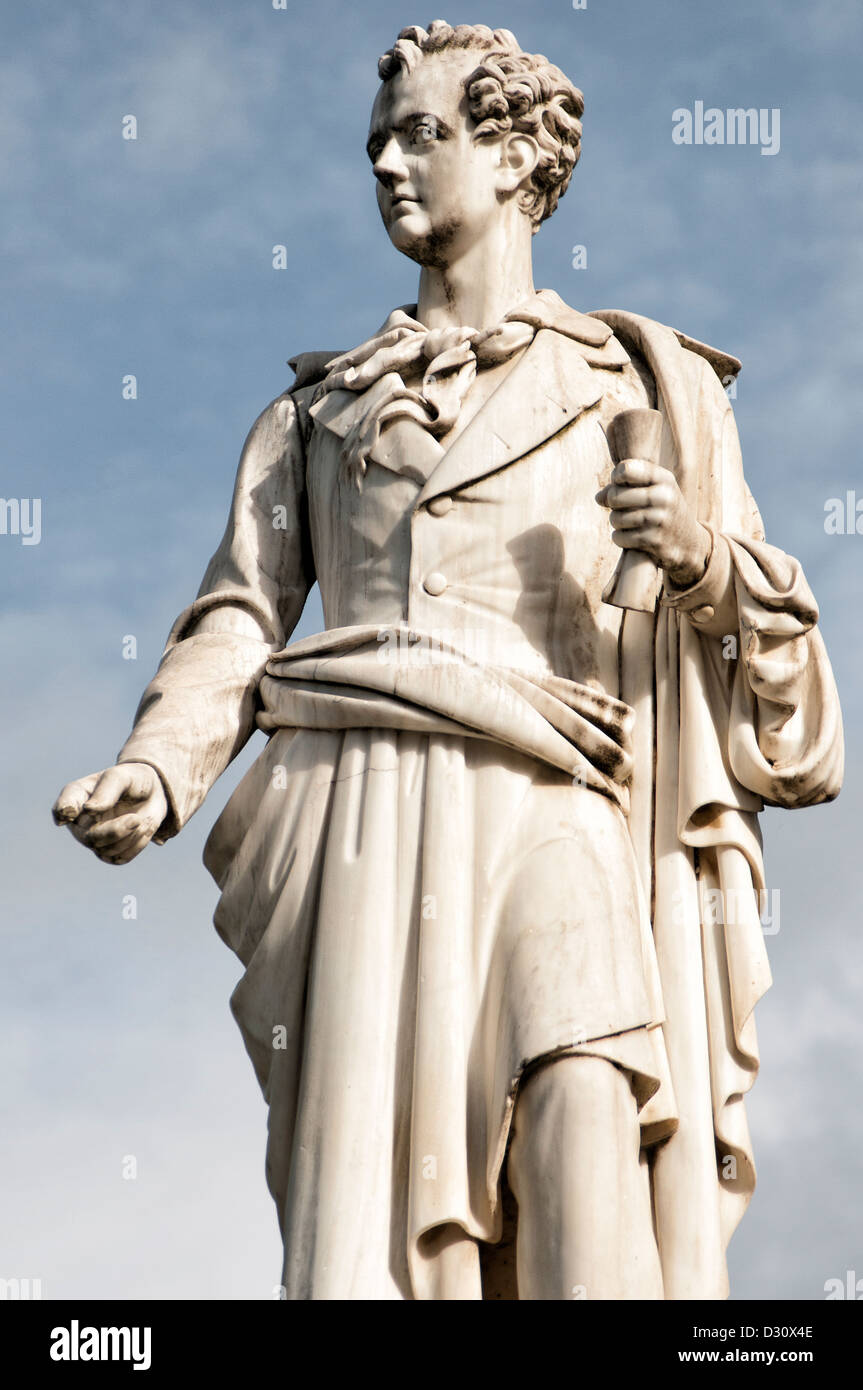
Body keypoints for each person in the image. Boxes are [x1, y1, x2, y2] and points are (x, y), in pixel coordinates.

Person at [53, 21, 843, 1300]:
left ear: (519, 155)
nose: (384, 166)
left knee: (590, 1097)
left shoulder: (641, 383)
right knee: (378, 1205)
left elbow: (791, 712)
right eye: (375, 143)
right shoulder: (315, 413)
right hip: (363, 805)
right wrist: (158, 767)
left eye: (419, 134)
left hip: (562, 803)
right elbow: (240, 616)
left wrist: (696, 556)